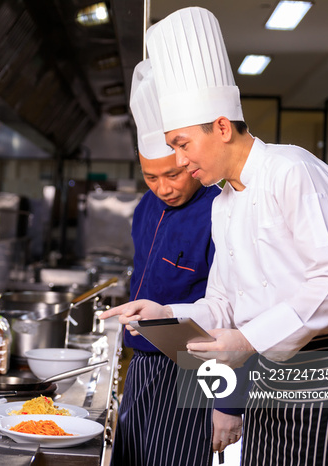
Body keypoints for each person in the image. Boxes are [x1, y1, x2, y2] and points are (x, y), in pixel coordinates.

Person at [101, 7, 328, 465]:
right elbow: (224, 301)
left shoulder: (293, 170)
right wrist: (166, 313)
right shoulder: (225, 204)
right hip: (269, 369)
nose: (180, 163)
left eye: (183, 144)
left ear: (221, 127)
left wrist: (247, 341)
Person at [111, 58, 243, 466]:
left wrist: (230, 402)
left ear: (185, 158)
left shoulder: (221, 210)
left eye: (171, 173)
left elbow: (235, 314)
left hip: (194, 372)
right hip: (143, 364)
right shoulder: (144, 209)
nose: (163, 188)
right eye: (150, 177)